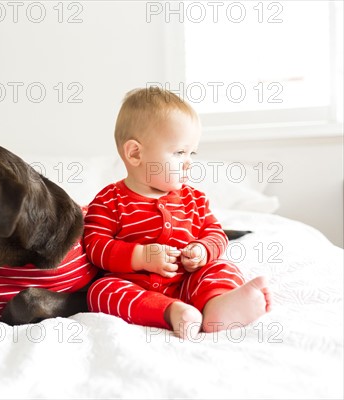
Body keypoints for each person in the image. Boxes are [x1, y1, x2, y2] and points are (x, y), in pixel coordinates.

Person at [83, 87, 272, 339]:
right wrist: (140, 256)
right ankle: (173, 312)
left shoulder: (194, 199)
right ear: (135, 153)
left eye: (191, 153)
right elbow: (95, 245)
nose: (189, 162)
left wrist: (203, 250)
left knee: (221, 267)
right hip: (136, 286)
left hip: (188, 281)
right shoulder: (109, 200)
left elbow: (216, 234)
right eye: (179, 152)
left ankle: (218, 307)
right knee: (100, 291)